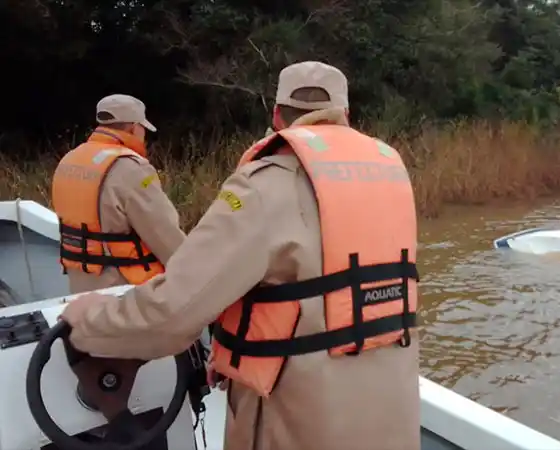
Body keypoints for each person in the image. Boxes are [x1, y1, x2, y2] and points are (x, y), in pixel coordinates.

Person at [60, 61, 421, 450]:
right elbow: (343, 295)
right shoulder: (391, 172)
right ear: (346, 115)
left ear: (278, 116)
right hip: (390, 415)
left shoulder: (265, 184)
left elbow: (172, 313)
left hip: (302, 423)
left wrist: (87, 322)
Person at [51, 94, 186, 294]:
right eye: (143, 129)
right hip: (125, 291)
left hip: (81, 289)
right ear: (134, 127)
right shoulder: (130, 167)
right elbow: (165, 235)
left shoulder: (71, 159)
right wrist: (196, 272)